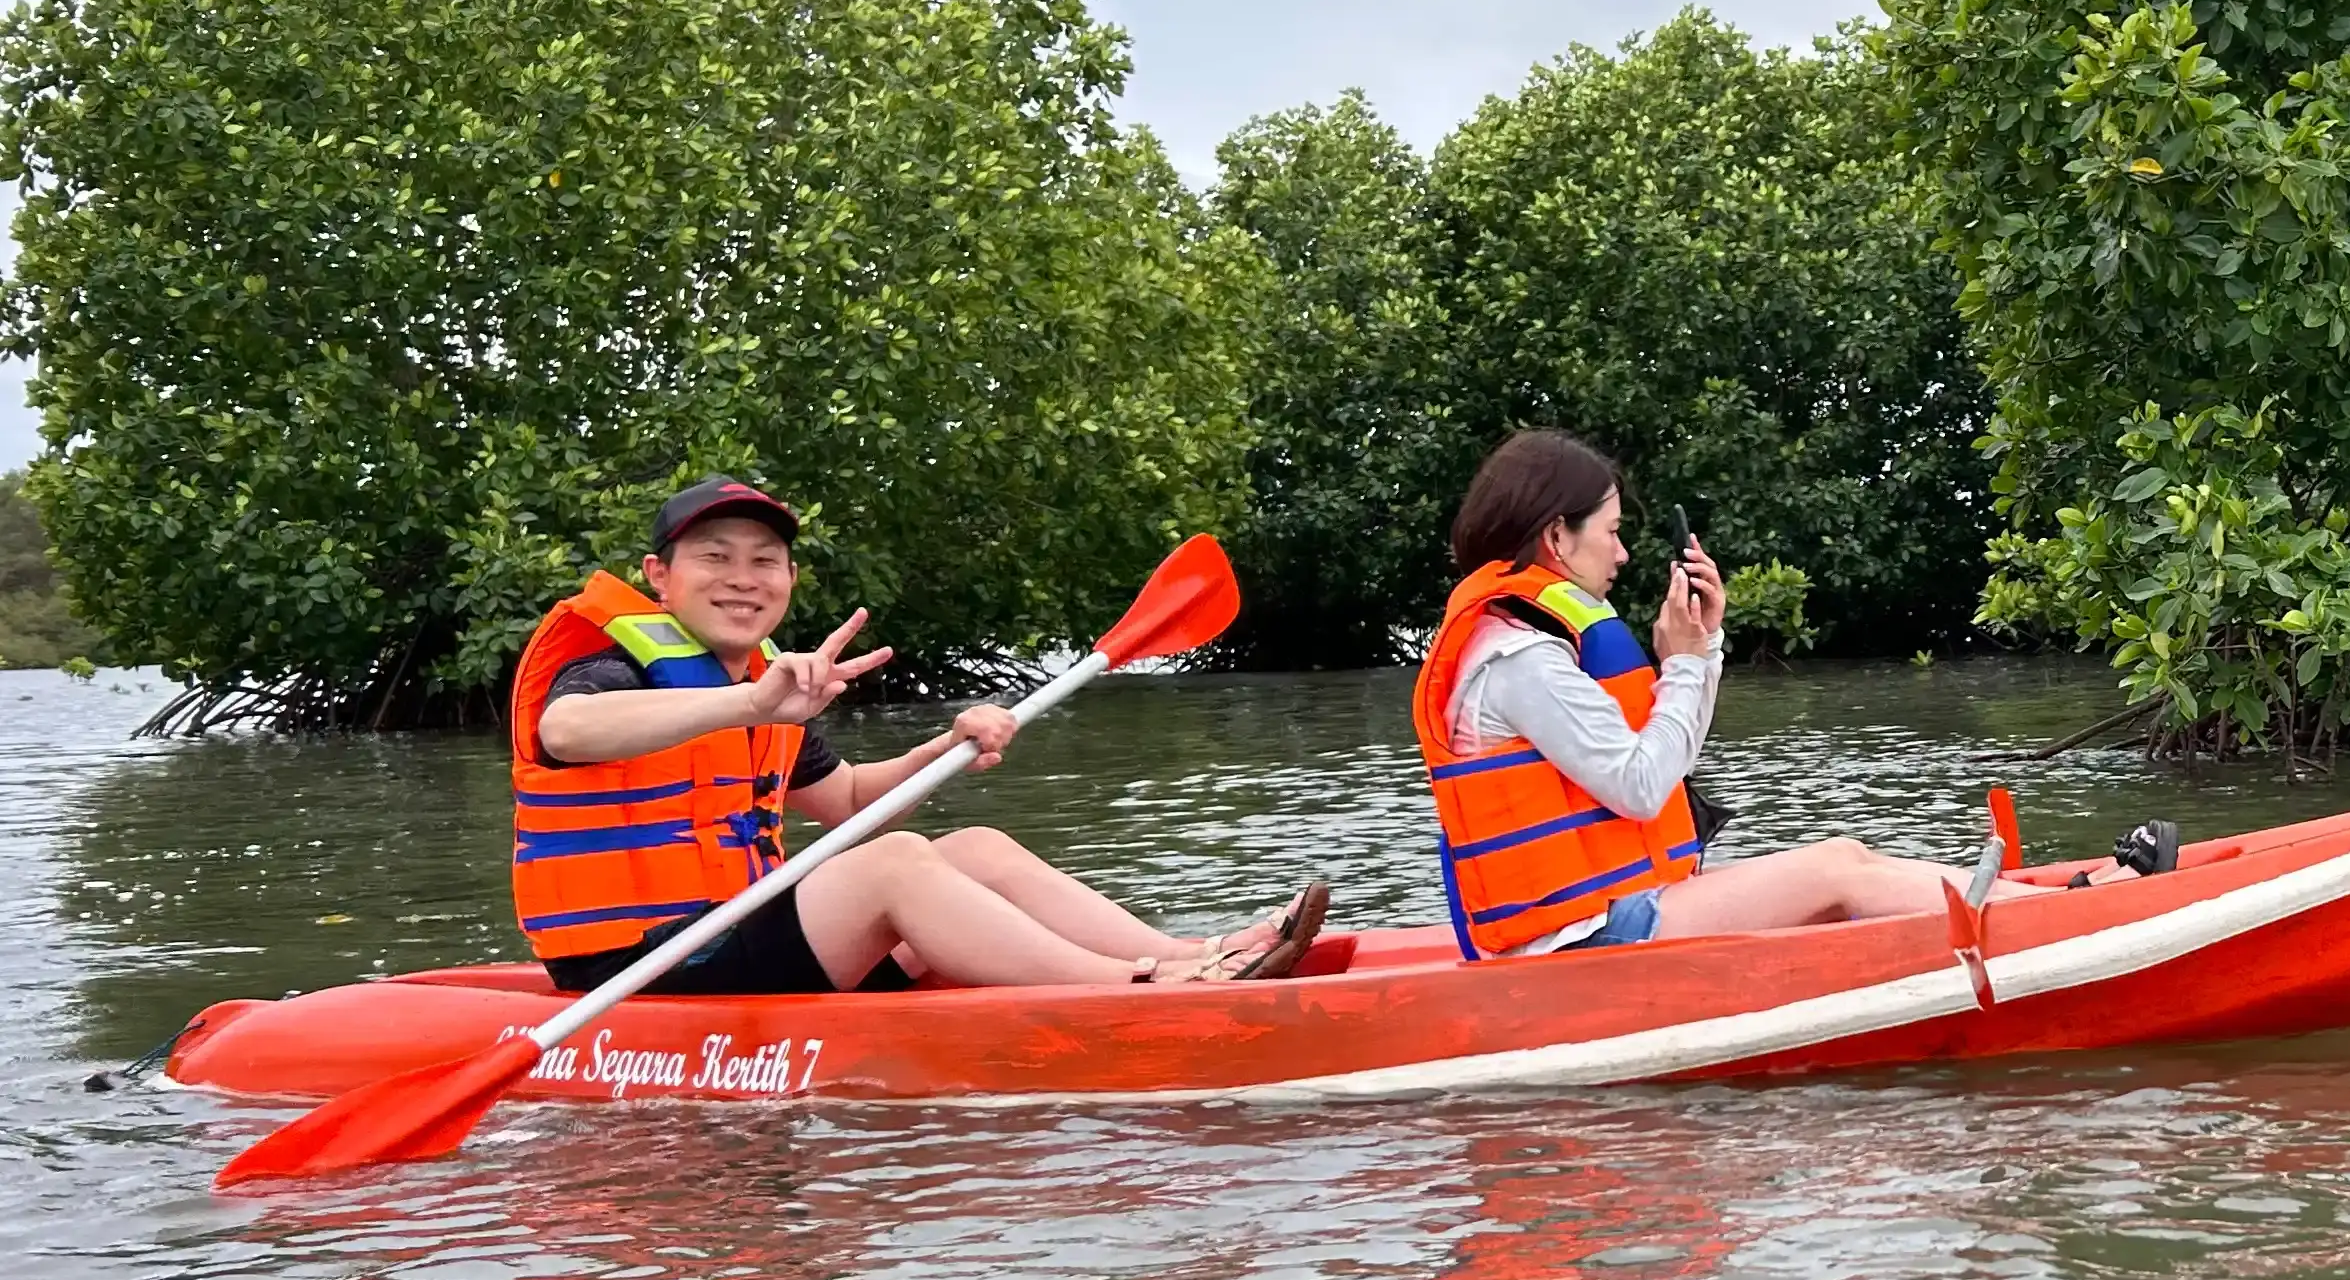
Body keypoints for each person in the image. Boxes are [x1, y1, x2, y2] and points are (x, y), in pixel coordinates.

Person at [512, 475, 1326, 995]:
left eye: (765, 561)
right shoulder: (612, 670)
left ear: (790, 580)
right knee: (896, 865)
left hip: (726, 941)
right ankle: (1138, 986)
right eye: (714, 556)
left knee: (973, 844)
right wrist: (751, 707)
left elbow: (852, 802)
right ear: (659, 575)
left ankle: (1188, 953)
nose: (742, 577)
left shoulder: (766, 681)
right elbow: (570, 731)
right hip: (631, 966)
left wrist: (944, 749)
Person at [1411, 431, 1963, 957]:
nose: (1623, 553)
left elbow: (1671, 762)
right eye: (1612, 531)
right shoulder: (1519, 660)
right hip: (1577, 938)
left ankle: (2034, 906)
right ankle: (2035, 922)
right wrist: (1680, 667)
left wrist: (1704, 648)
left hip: (1609, 910)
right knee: (1836, 873)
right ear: (1558, 536)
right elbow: (1643, 788)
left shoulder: (1530, 642)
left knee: (1846, 857)